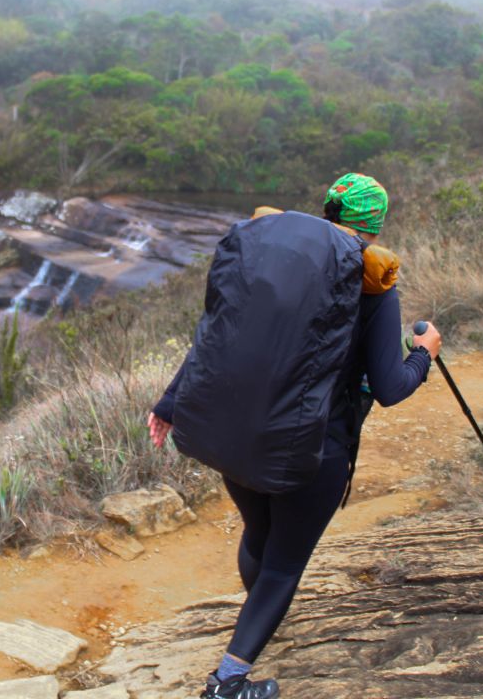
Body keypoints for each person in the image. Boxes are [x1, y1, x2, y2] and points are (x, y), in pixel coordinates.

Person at [146, 173, 442, 699]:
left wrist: (170, 402)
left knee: (258, 537)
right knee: (284, 566)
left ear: (328, 210)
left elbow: (219, 333)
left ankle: (257, 623)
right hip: (313, 451)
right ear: (375, 225)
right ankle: (228, 682)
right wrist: (425, 354)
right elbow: (391, 388)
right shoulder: (373, 283)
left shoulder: (270, 258)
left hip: (236, 435)